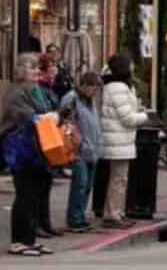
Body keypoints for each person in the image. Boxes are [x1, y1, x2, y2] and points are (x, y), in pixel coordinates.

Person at [1, 53, 56, 256]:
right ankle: (19, 241)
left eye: (37, 68)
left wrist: (51, 116)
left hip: (35, 149)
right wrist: (46, 117)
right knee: (24, 194)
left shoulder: (34, 90)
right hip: (20, 150)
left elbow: (43, 113)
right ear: (22, 70)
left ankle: (30, 239)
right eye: (32, 68)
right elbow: (27, 117)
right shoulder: (15, 93)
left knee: (34, 195)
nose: (36, 71)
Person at [100, 53, 149, 229]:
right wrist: (144, 116)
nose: (133, 67)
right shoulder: (117, 88)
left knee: (120, 178)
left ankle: (117, 212)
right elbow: (127, 117)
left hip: (122, 140)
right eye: (130, 64)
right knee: (118, 179)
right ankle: (112, 214)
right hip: (118, 139)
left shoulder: (120, 86)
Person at [61, 72, 103, 232]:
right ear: (85, 85)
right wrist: (77, 141)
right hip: (78, 150)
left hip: (91, 149)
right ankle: (74, 219)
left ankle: (80, 215)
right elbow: (66, 122)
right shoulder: (71, 99)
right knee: (80, 183)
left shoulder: (89, 101)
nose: (95, 93)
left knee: (87, 185)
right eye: (93, 88)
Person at [33, 56, 61, 239]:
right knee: (38, 185)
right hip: (41, 139)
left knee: (46, 184)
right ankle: (37, 224)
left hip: (51, 137)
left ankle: (45, 222)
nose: (53, 72)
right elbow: (40, 113)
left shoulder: (50, 89)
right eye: (50, 69)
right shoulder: (38, 90)